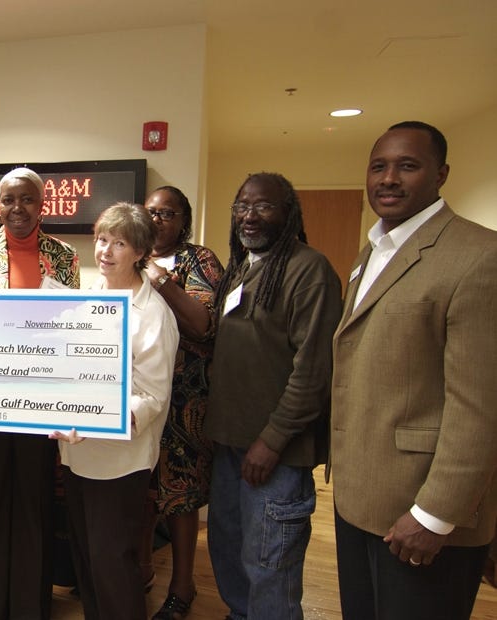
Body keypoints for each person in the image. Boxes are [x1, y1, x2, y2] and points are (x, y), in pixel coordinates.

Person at [331, 121, 497, 620]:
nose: (388, 179)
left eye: (408, 166)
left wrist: (436, 514)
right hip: (360, 498)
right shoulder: (373, 252)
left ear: (441, 173)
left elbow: (480, 406)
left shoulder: (479, 257)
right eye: (379, 166)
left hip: (420, 512)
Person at [205, 172, 342, 620]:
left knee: (270, 567)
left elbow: (314, 372)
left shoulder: (309, 270)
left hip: (275, 454)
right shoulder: (244, 266)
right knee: (228, 550)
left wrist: (273, 439)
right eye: (242, 206)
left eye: (263, 206)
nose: (249, 215)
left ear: (289, 212)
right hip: (229, 445)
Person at [0, 167, 80, 619]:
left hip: (38, 402)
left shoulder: (63, 256)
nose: (17, 209)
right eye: (8, 200)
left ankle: (30, 606)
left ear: (42, 204)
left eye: (26, 199)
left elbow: (71, 327)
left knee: (32, 503)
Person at [52, 202, 178, 620]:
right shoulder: (88, 299)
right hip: (76, 454)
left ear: (140, 251)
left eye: (119, 243)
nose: (105, 251)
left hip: (120, 462)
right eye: (102, 240)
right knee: (86, 563)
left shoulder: (154, 315)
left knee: (113, 566)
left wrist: (95, 419)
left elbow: (151, 396)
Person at [140, 186, 223, 619]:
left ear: (183, 221)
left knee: (180, 493)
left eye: (167, 213)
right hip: (136, 395)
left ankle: (182, 586)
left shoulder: (199, 261)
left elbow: (203, 325)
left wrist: (159, 278)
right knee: (141, 490)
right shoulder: (127, 256)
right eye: (150, 212)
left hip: (184, 399)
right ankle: (142, 574)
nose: (156, 220)